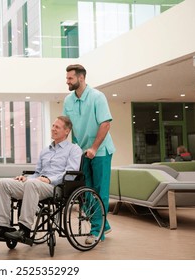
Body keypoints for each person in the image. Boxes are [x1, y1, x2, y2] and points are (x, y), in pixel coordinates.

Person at [0, 116, 82, 242]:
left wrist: (49, 180)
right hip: (37, 184)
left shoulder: (74, 149)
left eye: (57, 127)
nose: (53, 129)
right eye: (53, 126)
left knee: (33, 185)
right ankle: (3, 227)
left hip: (56, 187)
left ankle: (25, 230)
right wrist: (25, 178)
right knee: (3, 183)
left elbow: (71, 174)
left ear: (67, 131)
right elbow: (37, 173)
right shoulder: (45, 151)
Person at [62, 64, 115, 244]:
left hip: (100, 151)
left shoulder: (97, 97)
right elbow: (66, 127)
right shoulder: (68, 101)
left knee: (99, 191)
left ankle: (96, 231)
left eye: (70, 78)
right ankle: (102, 224)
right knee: (85, 193)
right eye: (67, 78)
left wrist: (93, 148)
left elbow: (105, 124)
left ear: (81, 78)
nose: (67, 81)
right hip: (81, 152)